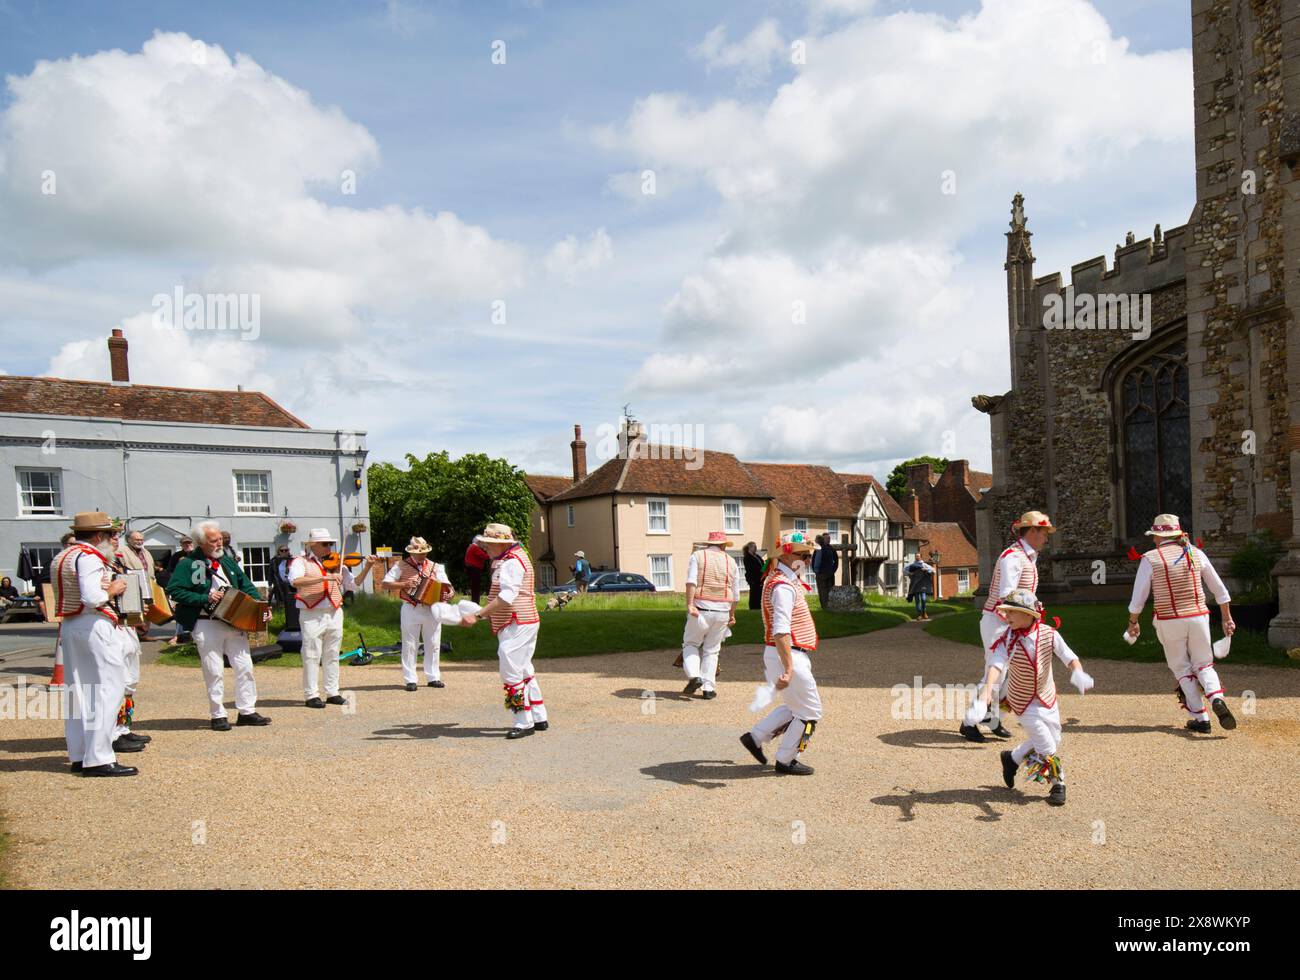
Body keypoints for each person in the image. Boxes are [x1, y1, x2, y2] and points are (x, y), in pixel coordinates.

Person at [964, 589, 1093, 807]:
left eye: (1012, 612)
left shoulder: (1049, 634)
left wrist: (1078, 672)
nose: (1006, 616)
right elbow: (995, 666)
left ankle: (1012, 758)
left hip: (1047, 696)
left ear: (1030, 614)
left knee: (1055, 738)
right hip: (1022, 701)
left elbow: (1069, 657)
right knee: (1046, 743)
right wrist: (986, 694)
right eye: (1006, 612)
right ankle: (1058, 783)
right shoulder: (1007, 639)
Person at [1125, 514, 1236, 733]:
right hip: (1198, 616)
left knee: (1181, 667)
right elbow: (1220, 590)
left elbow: (1138, 598)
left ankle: (1200, 718)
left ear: (1158, 536)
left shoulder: (1150, 558)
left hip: (1169, 619)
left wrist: (1133, 622)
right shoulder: (1196, 553)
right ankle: (1216, 697)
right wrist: (1227, 618)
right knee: (1204, 663)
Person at [51, 512, 136, 776]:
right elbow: (91, 597)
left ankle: (80, 753)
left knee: (79, 690)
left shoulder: (63, 556)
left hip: (71, 624)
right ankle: (99, 757)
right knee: (109, 688)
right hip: (94, 623)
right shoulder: (89, 557)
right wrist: (113, 589)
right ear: (98, 536)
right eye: (110, 534)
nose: (113, 539)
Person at [960, 510, 1055, 743]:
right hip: (1000, 620)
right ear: (1032, 531)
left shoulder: (1027, 556)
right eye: (1044, 533)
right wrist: (1022, 620)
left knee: (1012, 675)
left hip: (1014, 621)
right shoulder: (1013, 557)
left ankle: (991, 718)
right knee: (995, 671)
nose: (1046, 538)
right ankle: (969, 722)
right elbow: (1006, 596)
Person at [167, 520, 272, 731]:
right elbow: (175, 590)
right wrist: (204, 597)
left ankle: (247, 711)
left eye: (220, 540)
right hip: (206, 623)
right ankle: (217, 714)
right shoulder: (188, 563)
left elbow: (246, 585)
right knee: (213, 669)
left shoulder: (228, 561)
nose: (219, 544)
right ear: (200, 542)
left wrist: (260, 607)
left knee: (245, 666)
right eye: (214, 541)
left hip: (235, 621)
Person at [739, 531, 823, 776]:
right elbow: (781, 630)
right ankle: (786, 760)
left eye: (808, 556)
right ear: (786, 555)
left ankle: (756, 737)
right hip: (788, 654)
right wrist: (788, 668)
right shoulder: (783, 586)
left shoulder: (780, 580)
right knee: (810, 712)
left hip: (783, 653)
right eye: (803, 555)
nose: (807, 560)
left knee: (796, 706)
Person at [461, 523, 546, 739]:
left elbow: (507, 597)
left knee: (510, 669)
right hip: (522, 620)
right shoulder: (516, 556)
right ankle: (538, 715)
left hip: (516, 621)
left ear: (502, 544)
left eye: (490, 544)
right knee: (523, 668)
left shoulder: (510, 563)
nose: (486, 548)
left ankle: (523, 720)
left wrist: (478, 615)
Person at [381, 536, 455, 691]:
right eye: (420, 553)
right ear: (412, 553)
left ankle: (433, 677)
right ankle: (410, 679)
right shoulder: (400, 565)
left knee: (433, 643)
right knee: (409, 644)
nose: (423, 555)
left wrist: (450, 593)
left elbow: (447, 586)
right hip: (411, 607)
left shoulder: (436, 566)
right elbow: (385, 584)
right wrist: (404, 584)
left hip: (432, 608)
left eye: (425, 552)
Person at [289, 528, 351, 709]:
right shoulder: (300, 562)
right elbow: (295, 581)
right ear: (313, 545)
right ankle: (311, 694)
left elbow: (351, 584)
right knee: (311, 653)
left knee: (332, 653)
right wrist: (325, 578)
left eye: (330, 544)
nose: (329, 548)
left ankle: (332, 692)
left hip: (334, 611)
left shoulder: (334, 564)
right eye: (325, 544)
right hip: (312, 613)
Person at [108, 524, 152, 755]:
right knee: (118, 681)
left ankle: (124, 727)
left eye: (116, 535)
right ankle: (113, 733)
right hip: (112, 626)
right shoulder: (96, 564)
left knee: (130, 680)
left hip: (127, 623)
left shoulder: (114, 562)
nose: (115, 539)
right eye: (111, 536)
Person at [680, 531, 739, 700]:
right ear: (724, 545)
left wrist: (690, 604)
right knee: (712, 651)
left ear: (708, 544)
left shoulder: (698, 556)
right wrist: (731, 614)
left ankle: (694, 676)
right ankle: (708, 688)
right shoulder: (731, 561)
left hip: (701, 609)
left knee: (691, 643)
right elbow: (736, 594)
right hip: (722, 611)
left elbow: (691, 581)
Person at [811, 533, 838, 608]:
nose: (828, 540)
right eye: (827, 538)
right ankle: (826, 607)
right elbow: (815, 560)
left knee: (827, 590)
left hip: (827, 574)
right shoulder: (820, 548)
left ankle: (826, 607)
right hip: (823, 573)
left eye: (829, 538)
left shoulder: (831, 549)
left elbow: (836, 561)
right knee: (823, 591)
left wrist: (833, 571)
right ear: (823, 539)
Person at [742, 542, 764, 610]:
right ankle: (753, 607)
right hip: (753, 579)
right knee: (754, 593)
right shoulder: (747, 557)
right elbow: (750, 568)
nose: (755, 548)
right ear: (750, 548)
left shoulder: (757, 556)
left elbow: (762, 563)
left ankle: (760, 607)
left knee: (760, 593)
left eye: (756, 547)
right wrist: (760, 569)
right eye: (754, 547)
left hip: (760, 578)